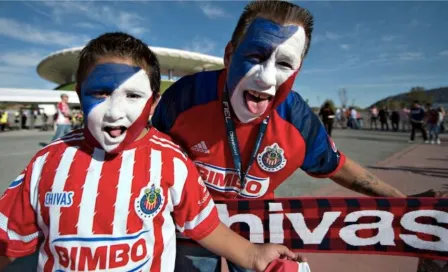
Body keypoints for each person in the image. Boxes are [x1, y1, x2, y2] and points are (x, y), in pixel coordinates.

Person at [0, 32, 303, 272]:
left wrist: (252, 256)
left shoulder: (170, 160)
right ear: (80, 95)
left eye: (132, 95)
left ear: (154, 103)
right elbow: (7, 241)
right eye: (100, 93)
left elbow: (202, 223)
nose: (114, 111)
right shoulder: (47, 162)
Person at [152, 1, 406, 271]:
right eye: (255, 57)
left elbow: (336, 166)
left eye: (284, 63)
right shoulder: (184, 98)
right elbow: (149, 156)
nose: (266, 79)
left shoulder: (298, 119)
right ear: (229, 55)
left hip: (257, 229)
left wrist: (406, 203)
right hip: (193, 228)